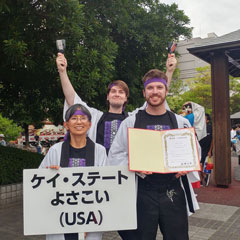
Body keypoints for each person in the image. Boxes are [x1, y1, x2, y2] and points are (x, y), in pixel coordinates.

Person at [107, 69, 200, 240]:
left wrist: (187, 166)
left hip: (172, 189)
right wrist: (134, 165)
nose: (155, 91)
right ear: (144, 92)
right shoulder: (131, 122)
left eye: (159, 87)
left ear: (166, 90)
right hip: (143, 191)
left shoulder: (180, 122)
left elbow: (195, 151)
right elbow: (115, 155)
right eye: (150, 88)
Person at [56, 53, 177, 154]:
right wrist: (62, 71)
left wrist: (169, 71)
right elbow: (73, 100)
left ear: (125, 98)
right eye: (113, 91)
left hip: (126, 174)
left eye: (121, 92)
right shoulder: (95, 117)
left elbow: (156, 97)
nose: (117, 94)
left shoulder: (133, 118)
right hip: (101, 170)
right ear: (108, 97)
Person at [39, 104, 107, 240]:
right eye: (74, 118)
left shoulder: (99, 151)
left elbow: (105, 186)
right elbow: (39, 184)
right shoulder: (55, 150)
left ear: (89, 124)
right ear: (66, 124)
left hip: (90, 216)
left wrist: (91, 220)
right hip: (59, 216)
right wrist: (48, 174)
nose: (79, 122)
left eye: (83, 118)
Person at [199, 113, 213, 186]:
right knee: (199, 165)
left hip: (207, 150)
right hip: (199, 149)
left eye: (204, 118)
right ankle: (203, 177)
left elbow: (213, 140)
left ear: (207, 120)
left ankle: (204, 177)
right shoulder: (198, 128)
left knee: (205, 165)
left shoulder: (211, 127)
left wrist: (210, 151)